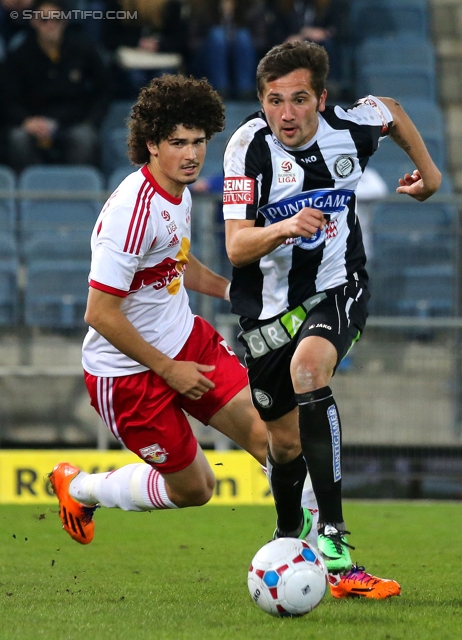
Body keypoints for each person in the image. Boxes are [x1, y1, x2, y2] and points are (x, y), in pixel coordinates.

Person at [49, 73, 400, 601]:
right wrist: (168, 370)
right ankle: (78, 488)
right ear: (152, 145)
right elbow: (100, 313)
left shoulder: (178, 193)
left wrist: (234, 290)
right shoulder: (130, 211)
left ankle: (332, 564)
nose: (191, 155)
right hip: (126, 374)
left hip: (188, 342)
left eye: (198, 142)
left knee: (276, 442)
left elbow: (175, 264)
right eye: (178, 143)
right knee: (196, 490)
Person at [222, 41, 440, 586]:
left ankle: (335, 538)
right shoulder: (245, 148)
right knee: (283, 440)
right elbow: (236, 248)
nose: (287, 114)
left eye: (299, 99)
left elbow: (390, 108)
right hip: (268, 311)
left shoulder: (349, 128)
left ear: (321, 98)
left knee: (309, 370)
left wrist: (429, 174)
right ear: (261, 101)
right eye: (274, 101)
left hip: (338, 286)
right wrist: (282, 228)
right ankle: (288, 529)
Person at [4, 0, 111, 172]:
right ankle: (30, 194)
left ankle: (79, 193)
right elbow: (8, 97)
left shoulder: (83, 49)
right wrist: (25, 120)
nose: (50, 25)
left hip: (73, 121)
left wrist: (90, 121)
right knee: (18, 138)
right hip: (34, 121)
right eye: (44, 20)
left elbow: (104, 89)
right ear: (33, 21)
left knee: (85, 138)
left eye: (56, 19)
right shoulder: (19, 55)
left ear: (65, 21)